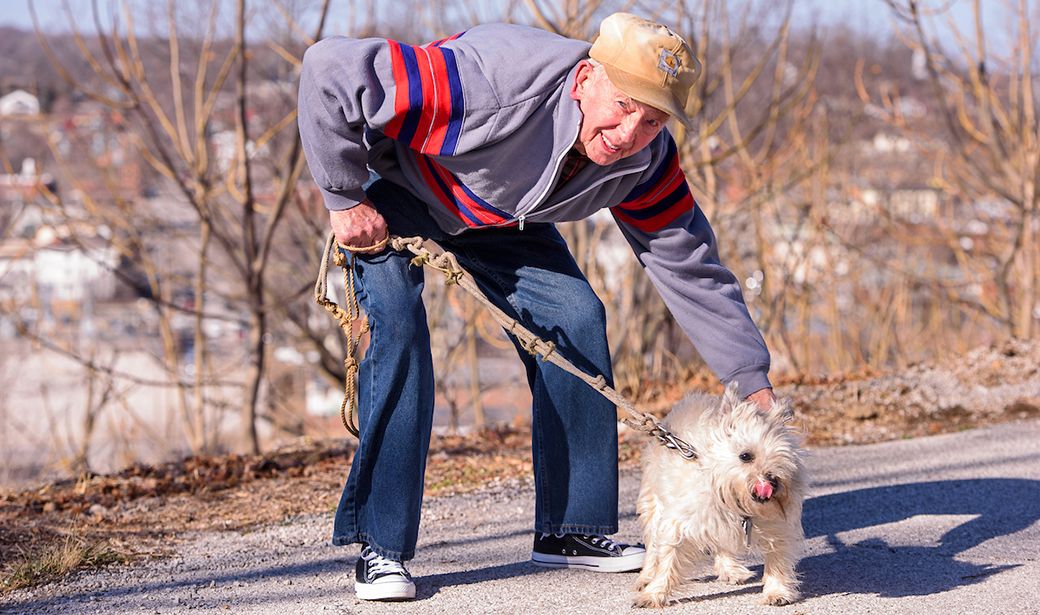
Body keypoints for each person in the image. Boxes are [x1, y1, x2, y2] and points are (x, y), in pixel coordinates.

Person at [298, 12, 776, 602]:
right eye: (624, 106)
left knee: (576, 318)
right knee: (397, 334)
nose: (630, 132)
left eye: (652, 119)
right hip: (398, 196)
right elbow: (329, 70)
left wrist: (750, 380)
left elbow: (689, 265)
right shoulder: (486, 84)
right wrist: (343, 197)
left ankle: (570, 530)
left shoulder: (645, 163)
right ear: (584, 79)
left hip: (501, 217)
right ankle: (382, 547)